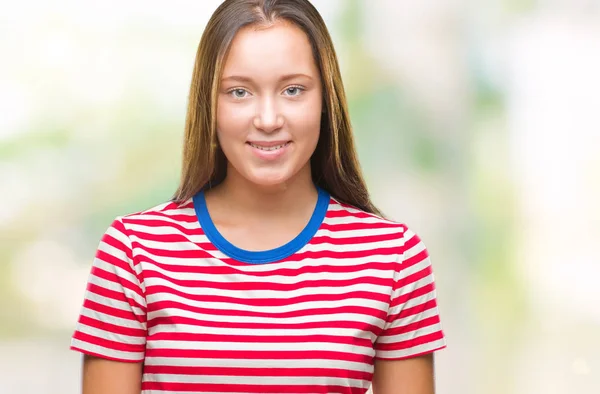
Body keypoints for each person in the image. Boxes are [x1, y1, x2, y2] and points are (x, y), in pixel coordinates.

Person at [70, 0, 447, 393]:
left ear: (325, 101)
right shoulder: (134, 251)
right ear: (208, 105)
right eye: (238, 92)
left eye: (293, 89)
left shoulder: (393, 256)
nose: (268, 120)